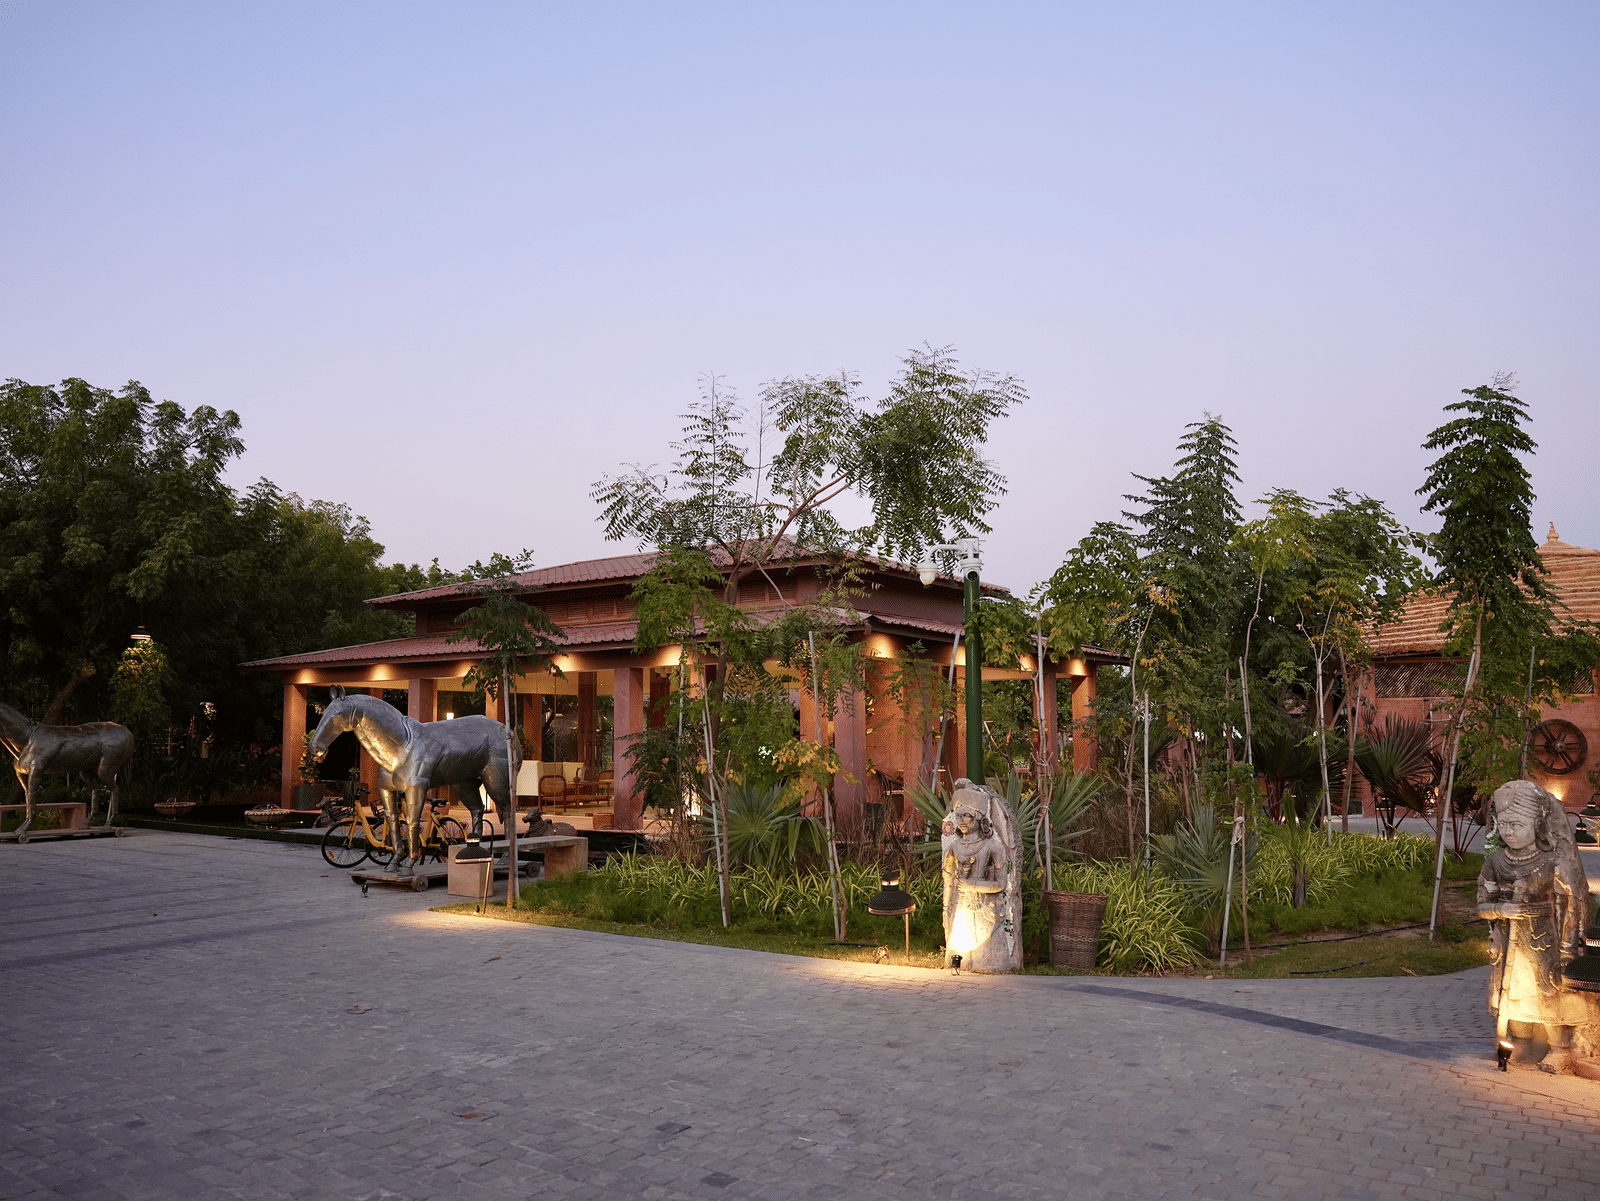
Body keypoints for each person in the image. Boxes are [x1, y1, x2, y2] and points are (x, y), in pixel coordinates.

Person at [1477, 779, 1589, 1072]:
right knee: (1511, 993)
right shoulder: (1495, 862)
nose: (1509, 831)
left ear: (1537, 824)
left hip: (1545, 940)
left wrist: (1568, 948)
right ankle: (1522, 1041)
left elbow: (1572, 905)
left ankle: (1559, 1047)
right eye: (1503, 825)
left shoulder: (1552, 863)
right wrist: (1501, 909)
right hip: (1507, 939)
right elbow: (1482, 903)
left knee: (1547, 993)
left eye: (1517, 824)